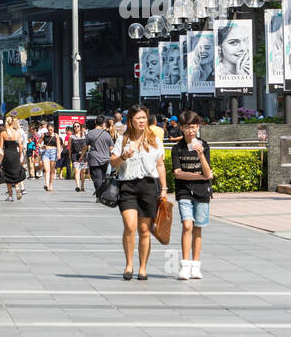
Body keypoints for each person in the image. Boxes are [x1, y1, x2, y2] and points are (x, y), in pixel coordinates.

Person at [110, 105, 169, 281]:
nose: (142, 121)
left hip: (148, 185)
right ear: (131, 120)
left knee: (144, 229)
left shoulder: (154, 140)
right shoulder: (123, 139)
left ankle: (143, 267)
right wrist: (123, 157)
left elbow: (160, 165)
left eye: (144, 117)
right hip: (127, 185)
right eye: (138, 118)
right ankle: (129, 264)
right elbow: (113, 162)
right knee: (130, 226)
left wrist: (164, 189)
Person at [172, 110, 213, 281]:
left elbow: (208, 173)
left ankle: (196, 266)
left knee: (198, 228)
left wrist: (201, 154)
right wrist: (200, 176)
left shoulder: (204, 145)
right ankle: (184, 265)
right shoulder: (177, 149)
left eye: (194, 127)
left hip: (202, 191)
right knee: (187, 225)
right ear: (181, 128)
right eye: (188, 127)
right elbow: (178, 173)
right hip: (184, 191)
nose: (191, 131)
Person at [0, 115, 27, 201]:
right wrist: (19, 156)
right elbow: (20, 146)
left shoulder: (3, 133)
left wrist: (0, 159)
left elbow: (1, 147)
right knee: (15, 172)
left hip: (7, 154)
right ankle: (17, 188)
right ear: (12, 123)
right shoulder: (17, 133)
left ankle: (10, 195)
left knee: (7, 174)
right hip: (15, 154)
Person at [85, 117, 114, 193]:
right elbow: (111, 147)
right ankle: (103, 193)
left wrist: (82, 157)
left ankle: (99, 195)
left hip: (94, 159)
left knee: (97, 178)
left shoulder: (90, 133)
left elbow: (85, 146)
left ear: (95, 122)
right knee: (104, 178)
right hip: (106, 159)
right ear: (103, 123)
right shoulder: (107, 134)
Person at [69, 123, 90, 192]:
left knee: (83, 171)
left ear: (80, 127)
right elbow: (70, 148)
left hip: (84, 155)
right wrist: (70, 155)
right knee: (77, 170)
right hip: (75, 155)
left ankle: (82, 186)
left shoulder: (85, 135)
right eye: (74, 126)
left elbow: (87, 145)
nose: (76, 127)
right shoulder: (71, 137)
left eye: (78, 126)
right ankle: (77, 186)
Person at [42, 122, 60, 192]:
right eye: (48, 130)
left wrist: (59, 154)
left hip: (53, 152)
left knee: (52, 170)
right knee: (47, 170)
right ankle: (46, 184)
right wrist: (42, 146)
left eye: (51, 130)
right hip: (45, 152)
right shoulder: (44, 135)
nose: (50, 131)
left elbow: (58, 145)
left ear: (53, 129)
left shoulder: (56, 135)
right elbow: (38, 143)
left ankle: (50, 184)